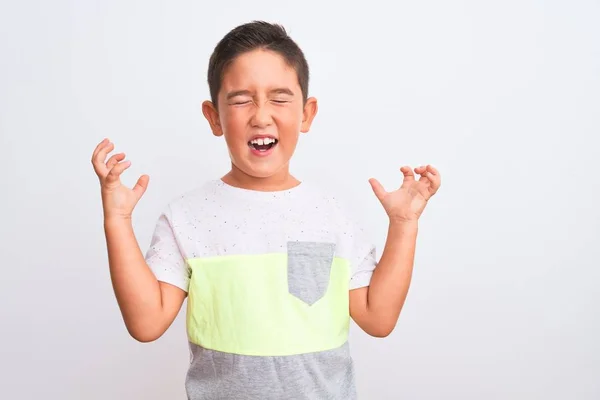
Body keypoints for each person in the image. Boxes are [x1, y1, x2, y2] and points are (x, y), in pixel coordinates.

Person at [91, 20, 441, 400]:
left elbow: (378, 317)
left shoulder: (333, 214)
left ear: (306, 114)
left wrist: (404, 224)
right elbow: (146, 324)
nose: (260, 115)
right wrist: (118, 220)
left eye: (279, 98)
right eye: (241, 99)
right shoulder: (186, 217)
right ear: (213, 117)